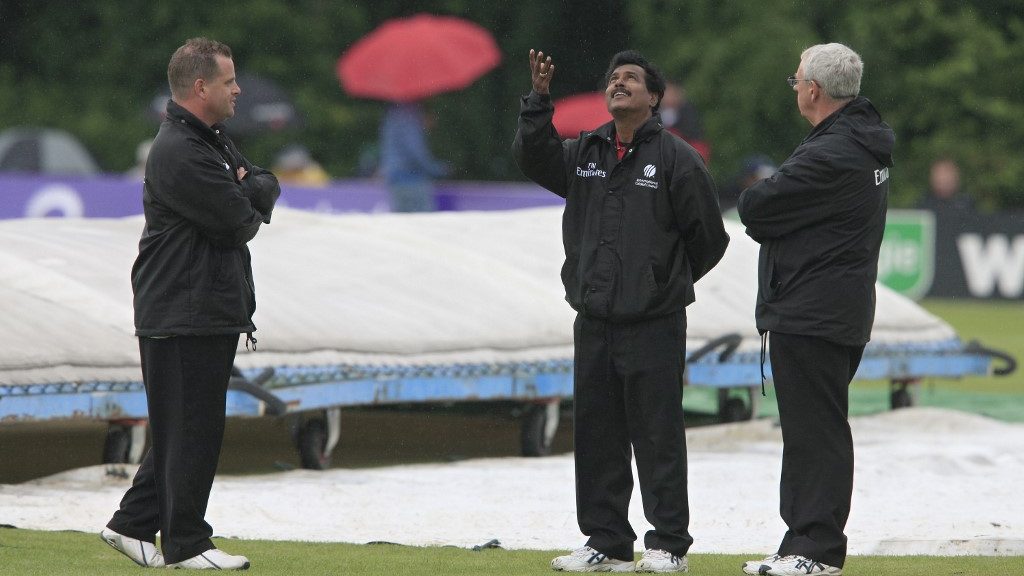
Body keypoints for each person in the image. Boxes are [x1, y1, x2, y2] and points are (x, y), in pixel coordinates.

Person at [513, 49, 729, 573]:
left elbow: (710, 239)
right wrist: (538, 101)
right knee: (596, 435)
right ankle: (606, 543)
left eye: (631, 78)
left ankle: (668, 545)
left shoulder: (678, 158)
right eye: (613, 77)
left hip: (654, 322)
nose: (619, 83)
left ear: (654, 97)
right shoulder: (585, 150)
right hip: (593, 319)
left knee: (657, 436)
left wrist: (660, 283)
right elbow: (532, 158)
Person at [100, 37, 280, 571]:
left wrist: (247, 187)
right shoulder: (181, 150)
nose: (238, 89)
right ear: (201, 87)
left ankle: (131, 525)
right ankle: (186, 545)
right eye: (229, 81)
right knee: (192, 432)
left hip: (199, 307)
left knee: (184, 428)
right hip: (182, 310)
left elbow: (265, 184)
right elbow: (238, 222)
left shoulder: (210, 140)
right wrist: (246, 189)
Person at [737, 43, 893, 576]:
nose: (795, 87)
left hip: (812, 309)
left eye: (796, 80)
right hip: (833, 307)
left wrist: (776, 217)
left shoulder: (832, 151)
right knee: (811, 433)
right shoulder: (861, 139)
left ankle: (816, 549)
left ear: (814, 90)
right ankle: (800, 541)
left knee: (815, 435)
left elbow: (755, 207)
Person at [379, 101, 449, 212]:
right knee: (423, 218)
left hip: (395, 177)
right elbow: (416, 154)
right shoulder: (408, 120)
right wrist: (437, 169)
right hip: (411, 179)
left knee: (402, 217)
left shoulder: (391, 118)